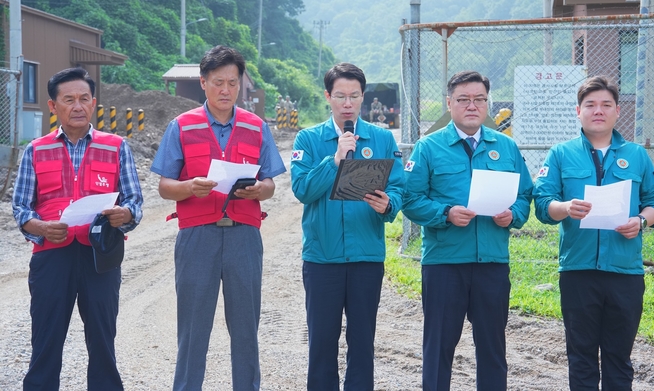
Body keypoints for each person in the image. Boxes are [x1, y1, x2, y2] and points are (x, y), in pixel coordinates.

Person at [150, 45, 286, 391]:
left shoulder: (257, 127)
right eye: (218, 83)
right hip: (197, 237)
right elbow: (165, 186)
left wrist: (260, 190)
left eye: (232, 83)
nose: (226, 90)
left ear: (240, 84)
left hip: (244, 236)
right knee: (193, 329)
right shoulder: (181, 126)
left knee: (245, 328)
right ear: (203, 83)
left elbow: (270, 182)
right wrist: (188, 187)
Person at [12, 67, 144, 391]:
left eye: (84, 98)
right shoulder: (35, 149)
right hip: (51, 259)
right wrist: (40, 226)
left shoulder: (116, 146)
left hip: (100, 258)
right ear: (52, 105)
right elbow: (19, 208)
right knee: (45, 343)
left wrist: (122, 213)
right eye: (68, 99)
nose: (78, 106)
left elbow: (135, 202)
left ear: (94, 102)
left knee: (102, 343)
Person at [532, 76, 654, 390]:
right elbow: (542, 204)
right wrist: (564, 208)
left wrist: (642, 221)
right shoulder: (560, 154)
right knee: (581, 357)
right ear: (578, 111)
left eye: (606, 105)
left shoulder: (636, 155)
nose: (598, 111)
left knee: (619, 358)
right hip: (578, 271)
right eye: (590, 105)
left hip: (625, 272)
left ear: (618, 111)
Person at [402, 70, 533, 391]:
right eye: (463, 100)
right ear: (449, 103)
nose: (471, 106)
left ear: (487, 104)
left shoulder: (506, 147)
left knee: (492, 348)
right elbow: (410, 199)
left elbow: (525, 195)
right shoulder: (428, 147)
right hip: (444, 263)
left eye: (479, 99)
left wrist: (512, 215)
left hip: (491, 263)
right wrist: (445, 213)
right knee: (439, 347)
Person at [290, 62, 404, 391]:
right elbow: (303, 190)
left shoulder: (381, 138)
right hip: (322, 258)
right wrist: (334, 160)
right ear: (328, 96)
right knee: (322, 342)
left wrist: (389, 204)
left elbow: (398, 187)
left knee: (363, 341)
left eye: (354, 96)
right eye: (340, 96)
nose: (348, 103)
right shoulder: (309, 139)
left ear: (363, 97)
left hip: (367, 256)